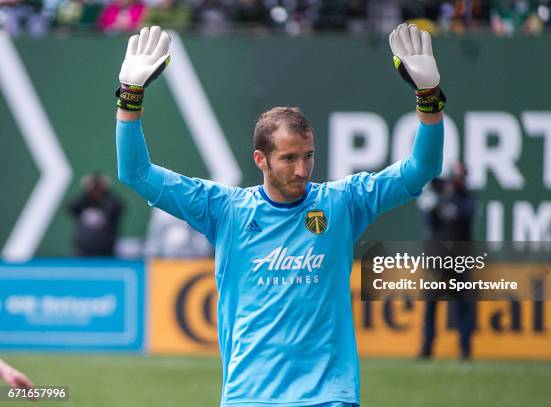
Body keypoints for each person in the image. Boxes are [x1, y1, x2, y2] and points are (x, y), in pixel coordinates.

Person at [115, 24, 445, 406]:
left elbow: (421, 168)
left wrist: (429, 98)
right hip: (249, 398)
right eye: (289, 158)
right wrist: (130, 97)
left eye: (309, 156)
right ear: (261, 159)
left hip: (328, 397)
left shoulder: (342, 203)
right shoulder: (225, 210)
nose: (303, 170)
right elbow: (135, 173)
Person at [417, 161, 477, 360]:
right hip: (438, 259)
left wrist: (451, 195)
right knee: (431, 304)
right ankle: (427, 347)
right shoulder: (438, 197)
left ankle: (465, 348)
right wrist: (440, 196)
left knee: (461, 305)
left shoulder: (467, 198)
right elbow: (428, 219)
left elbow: (465, 213)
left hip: (458, 260)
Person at [68, 172, 124, 256]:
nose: (96, 191)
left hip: (107, 252)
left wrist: (106, 192)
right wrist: (86, 192)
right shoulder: (83, 203)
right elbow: (71, 206)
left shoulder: (109, 202)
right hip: (83, 251)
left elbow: (118, 206)